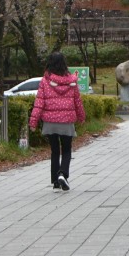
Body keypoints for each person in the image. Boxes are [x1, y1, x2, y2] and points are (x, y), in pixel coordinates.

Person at [29, 52, 86, 191]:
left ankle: (55, 181)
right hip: (67, 121)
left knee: (55, 151)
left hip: (50, 122)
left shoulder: (45, 81)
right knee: (66, 150)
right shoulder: (72, 81)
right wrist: (81, 117)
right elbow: (77, 101)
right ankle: (62, 174)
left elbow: (39, 103)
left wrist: (33, 122)